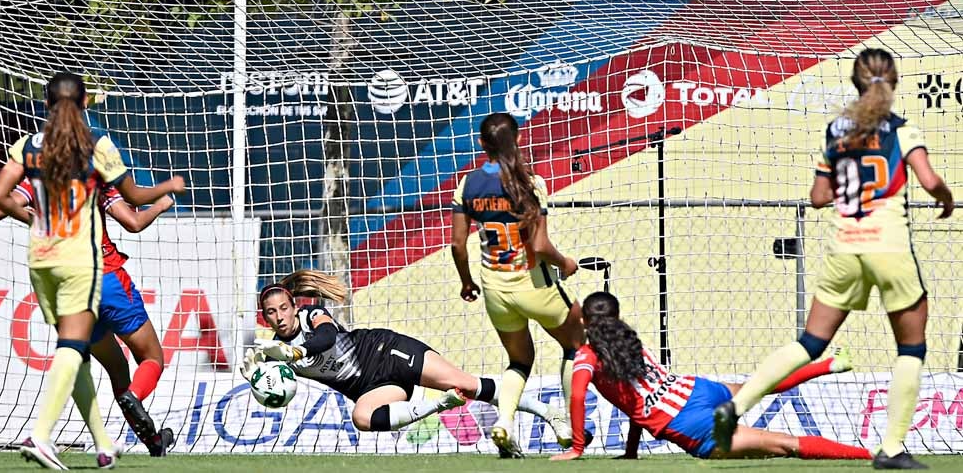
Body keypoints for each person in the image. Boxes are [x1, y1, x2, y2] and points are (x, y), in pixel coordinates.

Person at [712, 48, 953, 470]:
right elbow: (929, 180)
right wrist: (945, 198)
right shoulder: (902, 129)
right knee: (911, 347)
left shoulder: (835, 133)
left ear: (855, 83)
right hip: (889, 245)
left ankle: (735, 405)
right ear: (892, 82)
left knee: (810, 342)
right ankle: (892, 448)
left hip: (845, 244)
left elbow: (819, 197)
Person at [0, 72, 184, 470]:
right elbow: (132, 214)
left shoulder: (32, 151)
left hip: (45, 264)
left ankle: (119, 442)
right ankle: (45, 434)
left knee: (92, 359)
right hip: (97, 270)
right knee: (151, 356)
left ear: (46, 105)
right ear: (84, 105)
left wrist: (31, 218)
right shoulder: (96, 152)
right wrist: (163, 195)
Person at [0, 177, 176, 456]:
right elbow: (133, 223)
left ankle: (154, 443)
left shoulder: (36, 177)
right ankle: (134, 397)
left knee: (115, 368)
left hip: (71, 289)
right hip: (107, 279)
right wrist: (160, 204)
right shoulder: (95, 174)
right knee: (151, 358)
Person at [242, 270, 572, 444]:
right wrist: (255, 375)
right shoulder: (276, 352)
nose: (279, 316)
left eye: (284, 308)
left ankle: (549, 411)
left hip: (387, 352)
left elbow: (327, 338)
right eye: (271, 313)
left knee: (465, 384)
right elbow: (269, 376)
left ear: (294, 306)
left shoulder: (311, 315)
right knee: (362, 418)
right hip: (372, 386)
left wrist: (295, 351)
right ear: (265, 317)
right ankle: (439, 405)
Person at [551, 292, 868, 462]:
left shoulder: (587, 357)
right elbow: (638, 400)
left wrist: (578, 447)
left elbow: (581, 396)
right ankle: (827, 366)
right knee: (759, 386)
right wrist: (631, 451)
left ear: (583, 320)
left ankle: (873, 457)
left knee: (786, 444)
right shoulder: (630, 343)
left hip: (691, 424)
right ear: (617, 315)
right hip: (693, 389)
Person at [450, 112, 584, 457]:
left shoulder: (468, 184)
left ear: (482, 144)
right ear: (519, 140)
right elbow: (539, 246)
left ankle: (505, 422)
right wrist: (566, 263)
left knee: (519, 361)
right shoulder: (531, 183)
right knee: (576, 346)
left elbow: (458, 245)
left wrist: (467, 283)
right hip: (535, 285)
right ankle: (569, 425)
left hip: (495, 289)